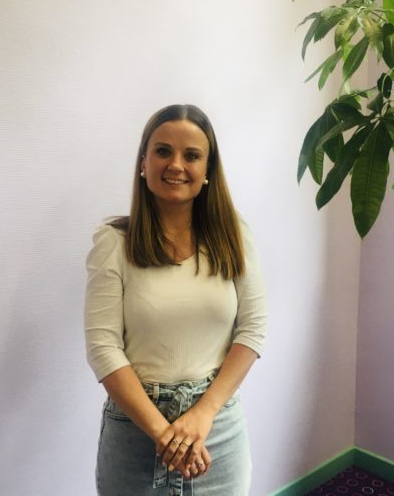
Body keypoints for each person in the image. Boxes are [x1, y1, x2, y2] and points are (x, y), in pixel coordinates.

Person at [84, 104, 267, 496]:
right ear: (143, 162)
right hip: (134, 431)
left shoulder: (234, 234)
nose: (176, 165)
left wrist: (202, 415)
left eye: (192, 155)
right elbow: (103, 347)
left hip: (216, 430)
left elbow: (253, 329)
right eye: (163, 151)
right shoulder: (113, 242)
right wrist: (165, 434)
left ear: (208, 169)